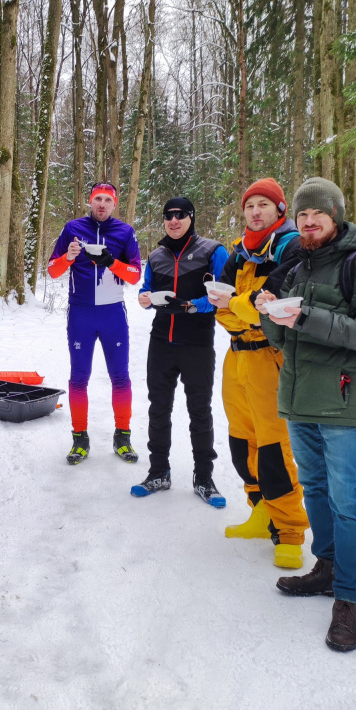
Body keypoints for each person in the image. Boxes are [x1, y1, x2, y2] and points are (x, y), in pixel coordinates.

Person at [256, 177, 356, 652]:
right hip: (299, 399)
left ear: (336, 215)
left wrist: (305, 317)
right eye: (302, 216)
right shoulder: (296, 267)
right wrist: (268, 314)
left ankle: (348, 598)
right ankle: (327, 565)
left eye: (317, 213)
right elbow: (282, 340)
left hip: (343, 400)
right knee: (314, 489)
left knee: (344, 498)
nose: (309, 221)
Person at [207, 178, 309, 569]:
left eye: (264, 204)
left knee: (273, 449)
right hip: (237, 359)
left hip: (271, 358)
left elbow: (272, 305)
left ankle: (290, 531)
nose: (255, 211)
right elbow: (223, 310)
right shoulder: (238, 251)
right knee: (240, 442)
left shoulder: (290, 246)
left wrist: (242, 306)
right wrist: (242, 307)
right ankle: (261, 511)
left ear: (280, 209)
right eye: (250, 205)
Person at [132, 196, 228, 506]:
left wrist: (190, 306)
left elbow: (224, 295)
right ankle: (158, 471)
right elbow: (146, 287)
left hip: (197, 344)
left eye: (181, 215)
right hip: (161, 342)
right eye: (169, 215)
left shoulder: (213, 251)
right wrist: (145, 297)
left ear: (192, 217)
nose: (174, 220)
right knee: (158, 407)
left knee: (199, 411)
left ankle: (204, 477)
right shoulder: (157, 255)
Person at [46, 182, 142, 465]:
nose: (102, 204)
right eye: (97, 199)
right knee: (79, 378)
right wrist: (69, 257)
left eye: (107, 200)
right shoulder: (72, 228)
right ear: (91, 201)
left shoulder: (124, 232)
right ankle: (80, 439)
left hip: (113, 314)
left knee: (120, 377)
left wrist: (112, 262)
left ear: (114, 204)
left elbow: (135, 275)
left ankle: (122, 436)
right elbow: (52, 270)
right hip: (81, 313)